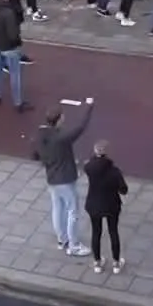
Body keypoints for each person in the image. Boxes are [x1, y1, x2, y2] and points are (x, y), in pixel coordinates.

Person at [33, 97, 95, 256]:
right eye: (63, 116)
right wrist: (89, 107)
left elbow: (35, 154)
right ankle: (73, 245)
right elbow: (81, 127)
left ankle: (62, 239)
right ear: (59, 119)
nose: (64, 118)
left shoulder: (41, 134)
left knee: (57, 208)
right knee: (73, 211)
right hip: (65, 178)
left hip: (52, 177)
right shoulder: (61, 138)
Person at [82, 139, 128, 274]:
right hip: (111, 205)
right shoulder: (114, 171)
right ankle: (116, 263)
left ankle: (97, 262)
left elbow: (89, 165)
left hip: (93, 204)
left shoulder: (89, 167)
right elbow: (123, 189)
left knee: (96, 232)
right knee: (113, 232)